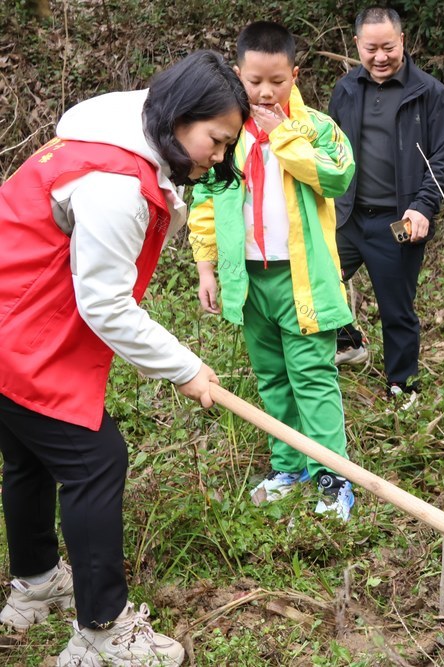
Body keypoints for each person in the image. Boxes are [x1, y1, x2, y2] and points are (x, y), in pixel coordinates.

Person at [0, 50, 248, 665]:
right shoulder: (115, 183)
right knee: (95, 461)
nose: (218, 157)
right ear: (178, 117)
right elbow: (105, 303)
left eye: (227, 145)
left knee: (30, 456)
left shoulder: (113, 138)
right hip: (18, 334)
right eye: (216, 140)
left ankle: (36, 584)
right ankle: (102, 633)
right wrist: (185, 368)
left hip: (16, 319)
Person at [188, 21, 358, 519]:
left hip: (301, 279)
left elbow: (338, 176)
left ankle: (333, 477)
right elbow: (205, 199)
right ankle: (289, 466)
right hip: (247, 279)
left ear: (294, 76)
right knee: (272, 378)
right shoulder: (227, 134)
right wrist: (206, 267)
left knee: (312, 377)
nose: (265, 92)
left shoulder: (318, 128)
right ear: (237, 75)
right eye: (254, 81)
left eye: (277, 81)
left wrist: (283, 136)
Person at [327, 6, 444, 410]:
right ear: (357, 46)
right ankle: (348, 341)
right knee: (319, 281)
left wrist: (422, 206)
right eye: (371, 49)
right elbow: (329, 148)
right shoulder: (346, 90)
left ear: (402, 41)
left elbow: (442, 159)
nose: (380, 57)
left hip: (398, 221)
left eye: (388, 47)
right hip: (347, 216)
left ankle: (403, 387)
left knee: (396, 308)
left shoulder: (429, 92)